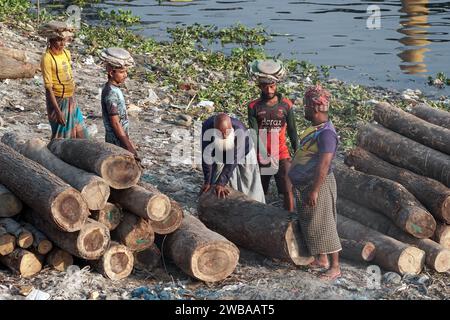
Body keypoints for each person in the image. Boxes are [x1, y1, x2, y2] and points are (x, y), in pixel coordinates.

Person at [288, 84, 341, 281]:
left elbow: (324, 164)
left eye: (307, 107)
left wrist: (315, 190)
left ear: (317, 108)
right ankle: (322, 260)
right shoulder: (316, 129)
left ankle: (335, 267)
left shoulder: (327, 134)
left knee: (326, 223)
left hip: (318, 184)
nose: (305, 110)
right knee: (313, 223)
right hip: (306, 183)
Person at [247, 59, 298, 211]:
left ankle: (289, 219)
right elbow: (254, 133)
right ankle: (261, 218)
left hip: (281, 153)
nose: (269, 90)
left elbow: (293, 131)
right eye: (265, 87)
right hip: (263, 154)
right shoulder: (253, 106)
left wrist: (299, 152)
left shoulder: (286, 105)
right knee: (261, 190)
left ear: (276, 85)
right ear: (260, 87)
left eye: (272, 86)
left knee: (288, 190)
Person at [200, 113, 265, 203]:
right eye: (220, 134)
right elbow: (206, 155)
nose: (224, 137)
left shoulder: (240, 130)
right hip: (220, 154)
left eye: (227, 133)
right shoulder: (207, 127)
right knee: (215, 185)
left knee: (248, 182)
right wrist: (207, 181)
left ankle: (256, 205)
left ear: (231, 128)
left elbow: (233, 160)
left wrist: (221, 183)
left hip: (243, 154)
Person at [39, 21, 88, 139]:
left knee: (82, 134)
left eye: (63, 40)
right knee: (62, 137)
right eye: (58, 40)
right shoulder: (47, 58)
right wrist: (57, 111)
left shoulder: (66, 53)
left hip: (70, 99)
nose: (62, 43)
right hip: (58, 101)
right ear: (50, 40)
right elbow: (49, 88)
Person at [99, 47, 139, 159]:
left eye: (126, 71)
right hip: (116, 140)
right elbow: (115, 123)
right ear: (112, 73)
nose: (125, 75)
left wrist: (128, 140)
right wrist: (127, 145)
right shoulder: (111, 93)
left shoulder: (113, 89)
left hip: (119, 138)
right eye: (121, 72)